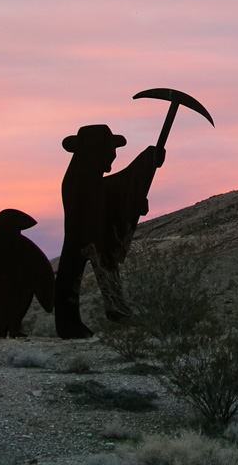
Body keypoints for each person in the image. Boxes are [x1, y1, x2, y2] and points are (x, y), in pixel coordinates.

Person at [55, 124, 164, 339]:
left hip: (93, 236)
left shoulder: (85, 177)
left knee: (102, 270)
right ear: (98, 150)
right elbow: (111, 190)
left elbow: (111, 195)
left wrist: (134, 197)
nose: (113, 158)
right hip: (84, 237)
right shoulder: (80, 179)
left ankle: (115, 310)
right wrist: (146, 161)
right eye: (110, 151)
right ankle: (76, 321)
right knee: (76, 275)